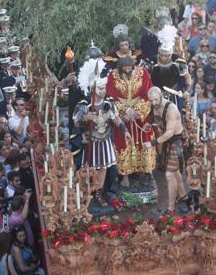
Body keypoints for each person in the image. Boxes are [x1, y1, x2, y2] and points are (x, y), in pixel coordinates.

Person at [74, 60, 128, 205]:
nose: (103, 91)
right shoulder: (85, 104)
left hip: (105, 140)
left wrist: (125, 130)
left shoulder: (109, 102)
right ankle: (88, 193)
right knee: (90, 168)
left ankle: (99, 192)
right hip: (90, 141)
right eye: (100, 88)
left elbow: (116, 118)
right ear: (92, 89)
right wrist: (86, 117)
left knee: (103, 167)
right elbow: (76, 121)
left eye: (104, 88)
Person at [105, 56, 156, 186]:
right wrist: (125, 111)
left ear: (133, 66)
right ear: (120, 68)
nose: (127, 71)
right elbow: (110, 96)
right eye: (124, 69)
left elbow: (148, 93)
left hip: (140, 116)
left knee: (143, 141)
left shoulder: (143, 73)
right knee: (123, 143)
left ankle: (145, 173)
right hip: (122, 118)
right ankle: (125, 176)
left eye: (129, 68)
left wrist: (139, 110)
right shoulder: (112, 75)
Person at [148, 87, 188, 213]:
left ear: (161, 96)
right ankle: (183, 196)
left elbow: (170, 132)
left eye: (155, 100)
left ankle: (170, 208)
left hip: (176, 141)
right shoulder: (154, 106)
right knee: (174, 172)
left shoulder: (171, 109)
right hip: (167, 142)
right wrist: (149, 124)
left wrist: (153, 143)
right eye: (151, 100)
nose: (153, 103)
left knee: (169, 175)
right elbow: (156, 120)